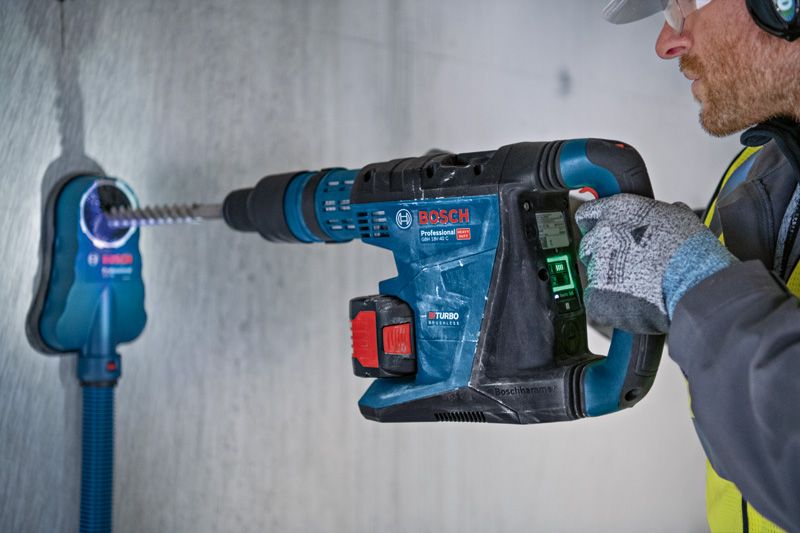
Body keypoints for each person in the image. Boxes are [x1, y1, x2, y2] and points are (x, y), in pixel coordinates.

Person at [579, 0, 800, 530]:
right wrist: (574, 242)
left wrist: (685, 279)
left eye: (683, 5)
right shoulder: (768, 165)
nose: (667, 43)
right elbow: (730, 281)